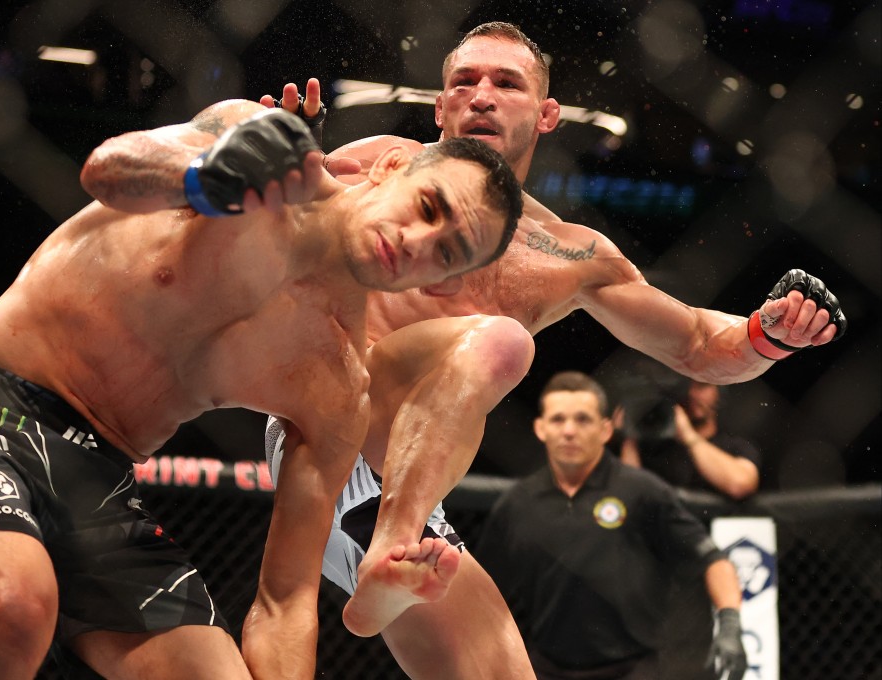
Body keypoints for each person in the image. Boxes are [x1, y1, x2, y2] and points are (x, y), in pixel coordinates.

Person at [263, 20, 845, 678]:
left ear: (546, 115)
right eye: (464, 82)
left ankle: (386, 563)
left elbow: (700, 344)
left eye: (506, 83)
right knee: (497, 341)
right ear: (440, 106)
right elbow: (267, 215)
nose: (481, 95)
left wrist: (771, 333)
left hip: (408, 488)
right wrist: (284, 178)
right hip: (329, 418)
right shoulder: (379, 165)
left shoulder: (564, 254)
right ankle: (383, 553)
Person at [0, 97, 522, 680]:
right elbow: (107, 168)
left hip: (99, 480)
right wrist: (205, 179)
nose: (415, 241)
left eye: (447, 252)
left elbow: (285, 602)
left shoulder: (336, 383)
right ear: (389, 169)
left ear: (442, 283)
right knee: (15, 609)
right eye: (428, 207)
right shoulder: (265, 147)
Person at [476, 371, 748, 680]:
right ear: (540, 428)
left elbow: (712, 559)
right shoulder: (517, 504)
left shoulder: (642, 491)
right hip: (543, 668)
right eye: (557, 420)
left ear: (606, 429)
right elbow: (483, 588)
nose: (569, 431)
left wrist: (730, 625)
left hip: (633, 669)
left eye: (582, 420)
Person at [619, 378, 762, 499]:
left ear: (719, 393)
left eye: (702, 386)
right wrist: (631, 432)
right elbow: (629, 495)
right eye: (685, 387)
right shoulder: (656, 450)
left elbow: (741, 485)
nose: (692, 394)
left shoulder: (736, 446)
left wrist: (688, 435)